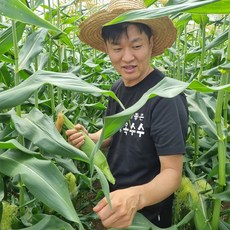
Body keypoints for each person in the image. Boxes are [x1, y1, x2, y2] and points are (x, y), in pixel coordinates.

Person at [66, 0, 188, 228]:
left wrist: (136, 197)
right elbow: (115, 132)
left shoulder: (166, 97)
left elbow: (172, 174)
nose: (127, 58)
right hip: (115, 200)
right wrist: (91, 138)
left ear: (151, 43)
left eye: (136, 46)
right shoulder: (117, 89)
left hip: (147, 215)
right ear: (107, 48)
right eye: (117, 48)